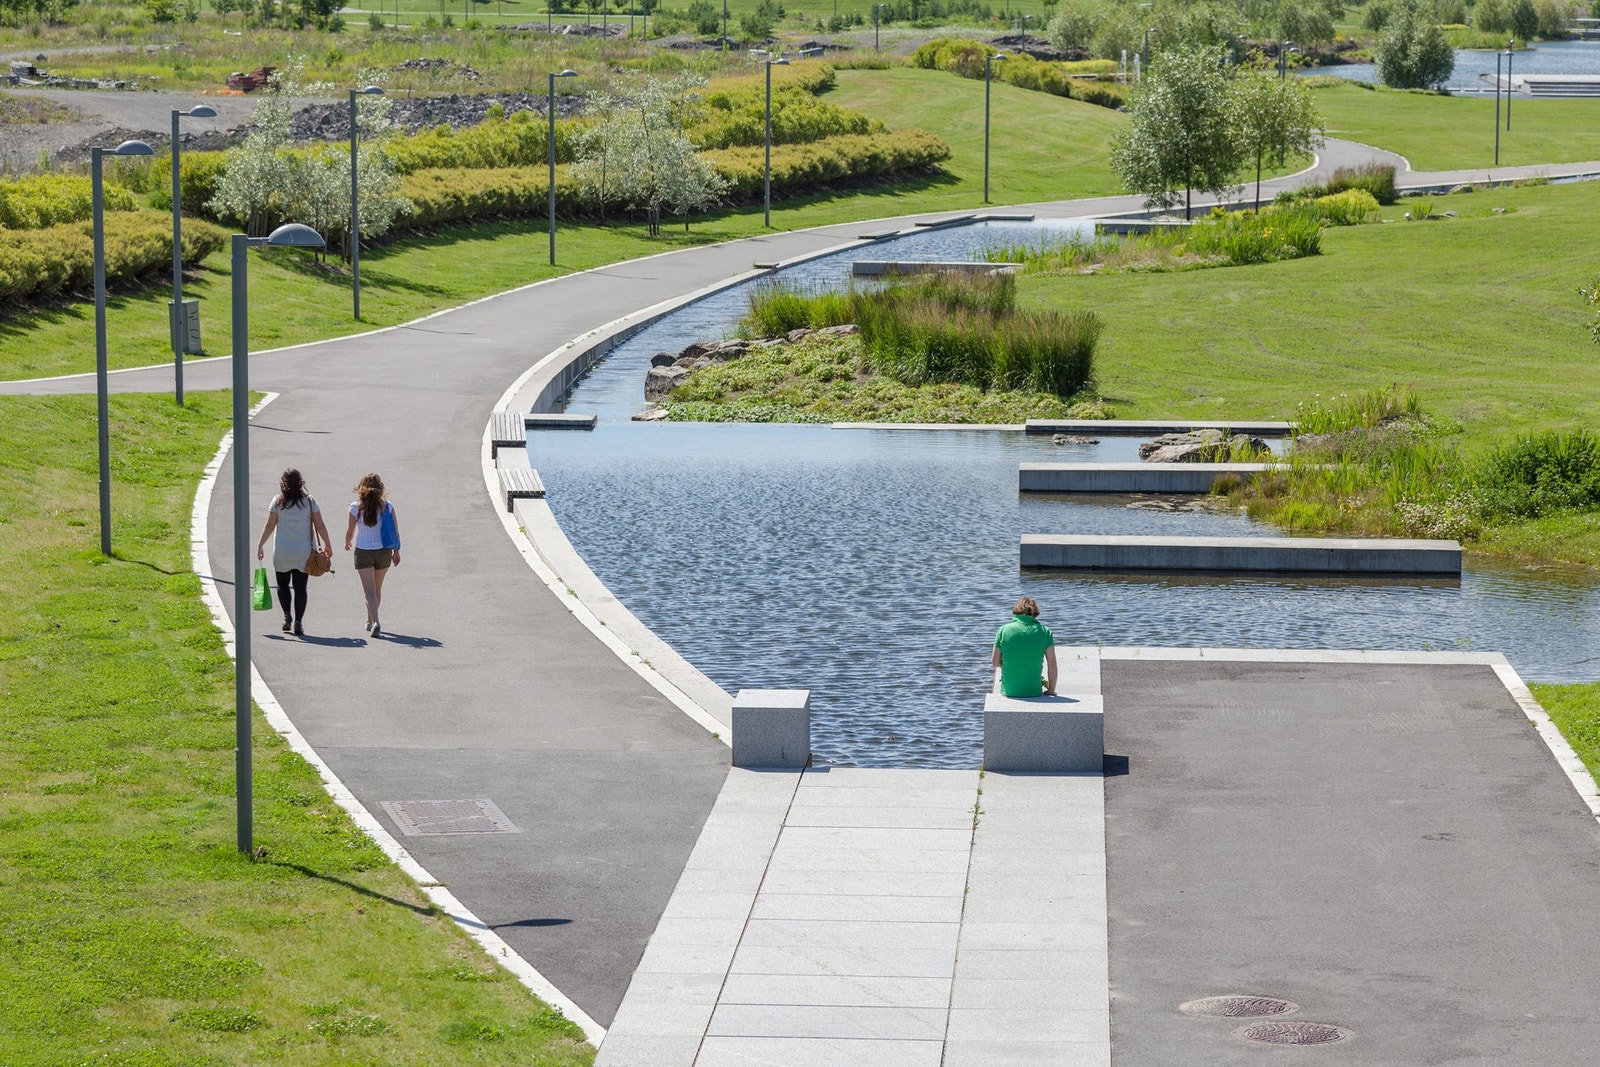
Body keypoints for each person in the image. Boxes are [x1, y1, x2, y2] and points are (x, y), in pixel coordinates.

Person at [256, 468, 331, 637]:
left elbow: (270, 526)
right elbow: (320, 525)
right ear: (301, 483)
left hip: (282, 552)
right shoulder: (309, 502)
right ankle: (298, 622)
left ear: (283, 484)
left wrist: (261, 544)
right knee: (300, 588)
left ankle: (287, 616)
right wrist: (328, 544)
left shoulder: (277, 502)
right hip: (303, 553)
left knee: (283, 585)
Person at [344, 472, 401, 638]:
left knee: (369, 591)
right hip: (383, 551)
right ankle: (370, 622)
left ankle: (375, 621)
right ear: (380, 489)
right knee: (377, 589)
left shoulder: (356, 507)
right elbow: (395, 531)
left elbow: (350, 531)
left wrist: (347, 542)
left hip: (363, 551)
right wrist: (397, 551)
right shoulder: (388, 506)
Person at [992, 596, 1058, 698]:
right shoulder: (1045, 632)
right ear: (1035, 613)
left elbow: (995, 662)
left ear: (1016, 611)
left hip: (1009, 691)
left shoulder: (1003, 630)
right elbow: (1052, 663)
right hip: (1034, 691)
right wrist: (1051, 690)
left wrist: (1011, 664)